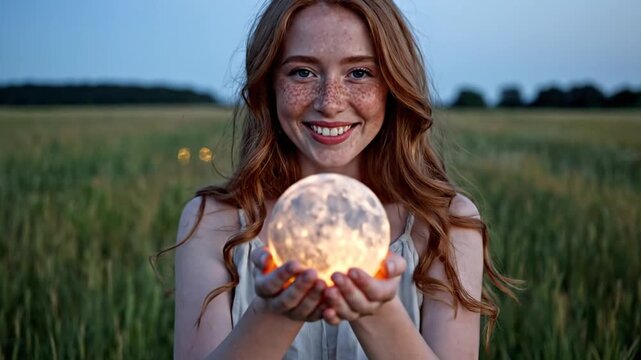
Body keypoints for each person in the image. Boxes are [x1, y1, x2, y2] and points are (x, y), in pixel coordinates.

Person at [171, 1, 520, 359]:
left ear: (393, 84)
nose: (330, 102)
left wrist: (378, 311)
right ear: (268, 84)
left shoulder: (445, 224)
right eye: (302, 72)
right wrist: (273, 313)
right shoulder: (213, 222)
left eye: (359, 73)